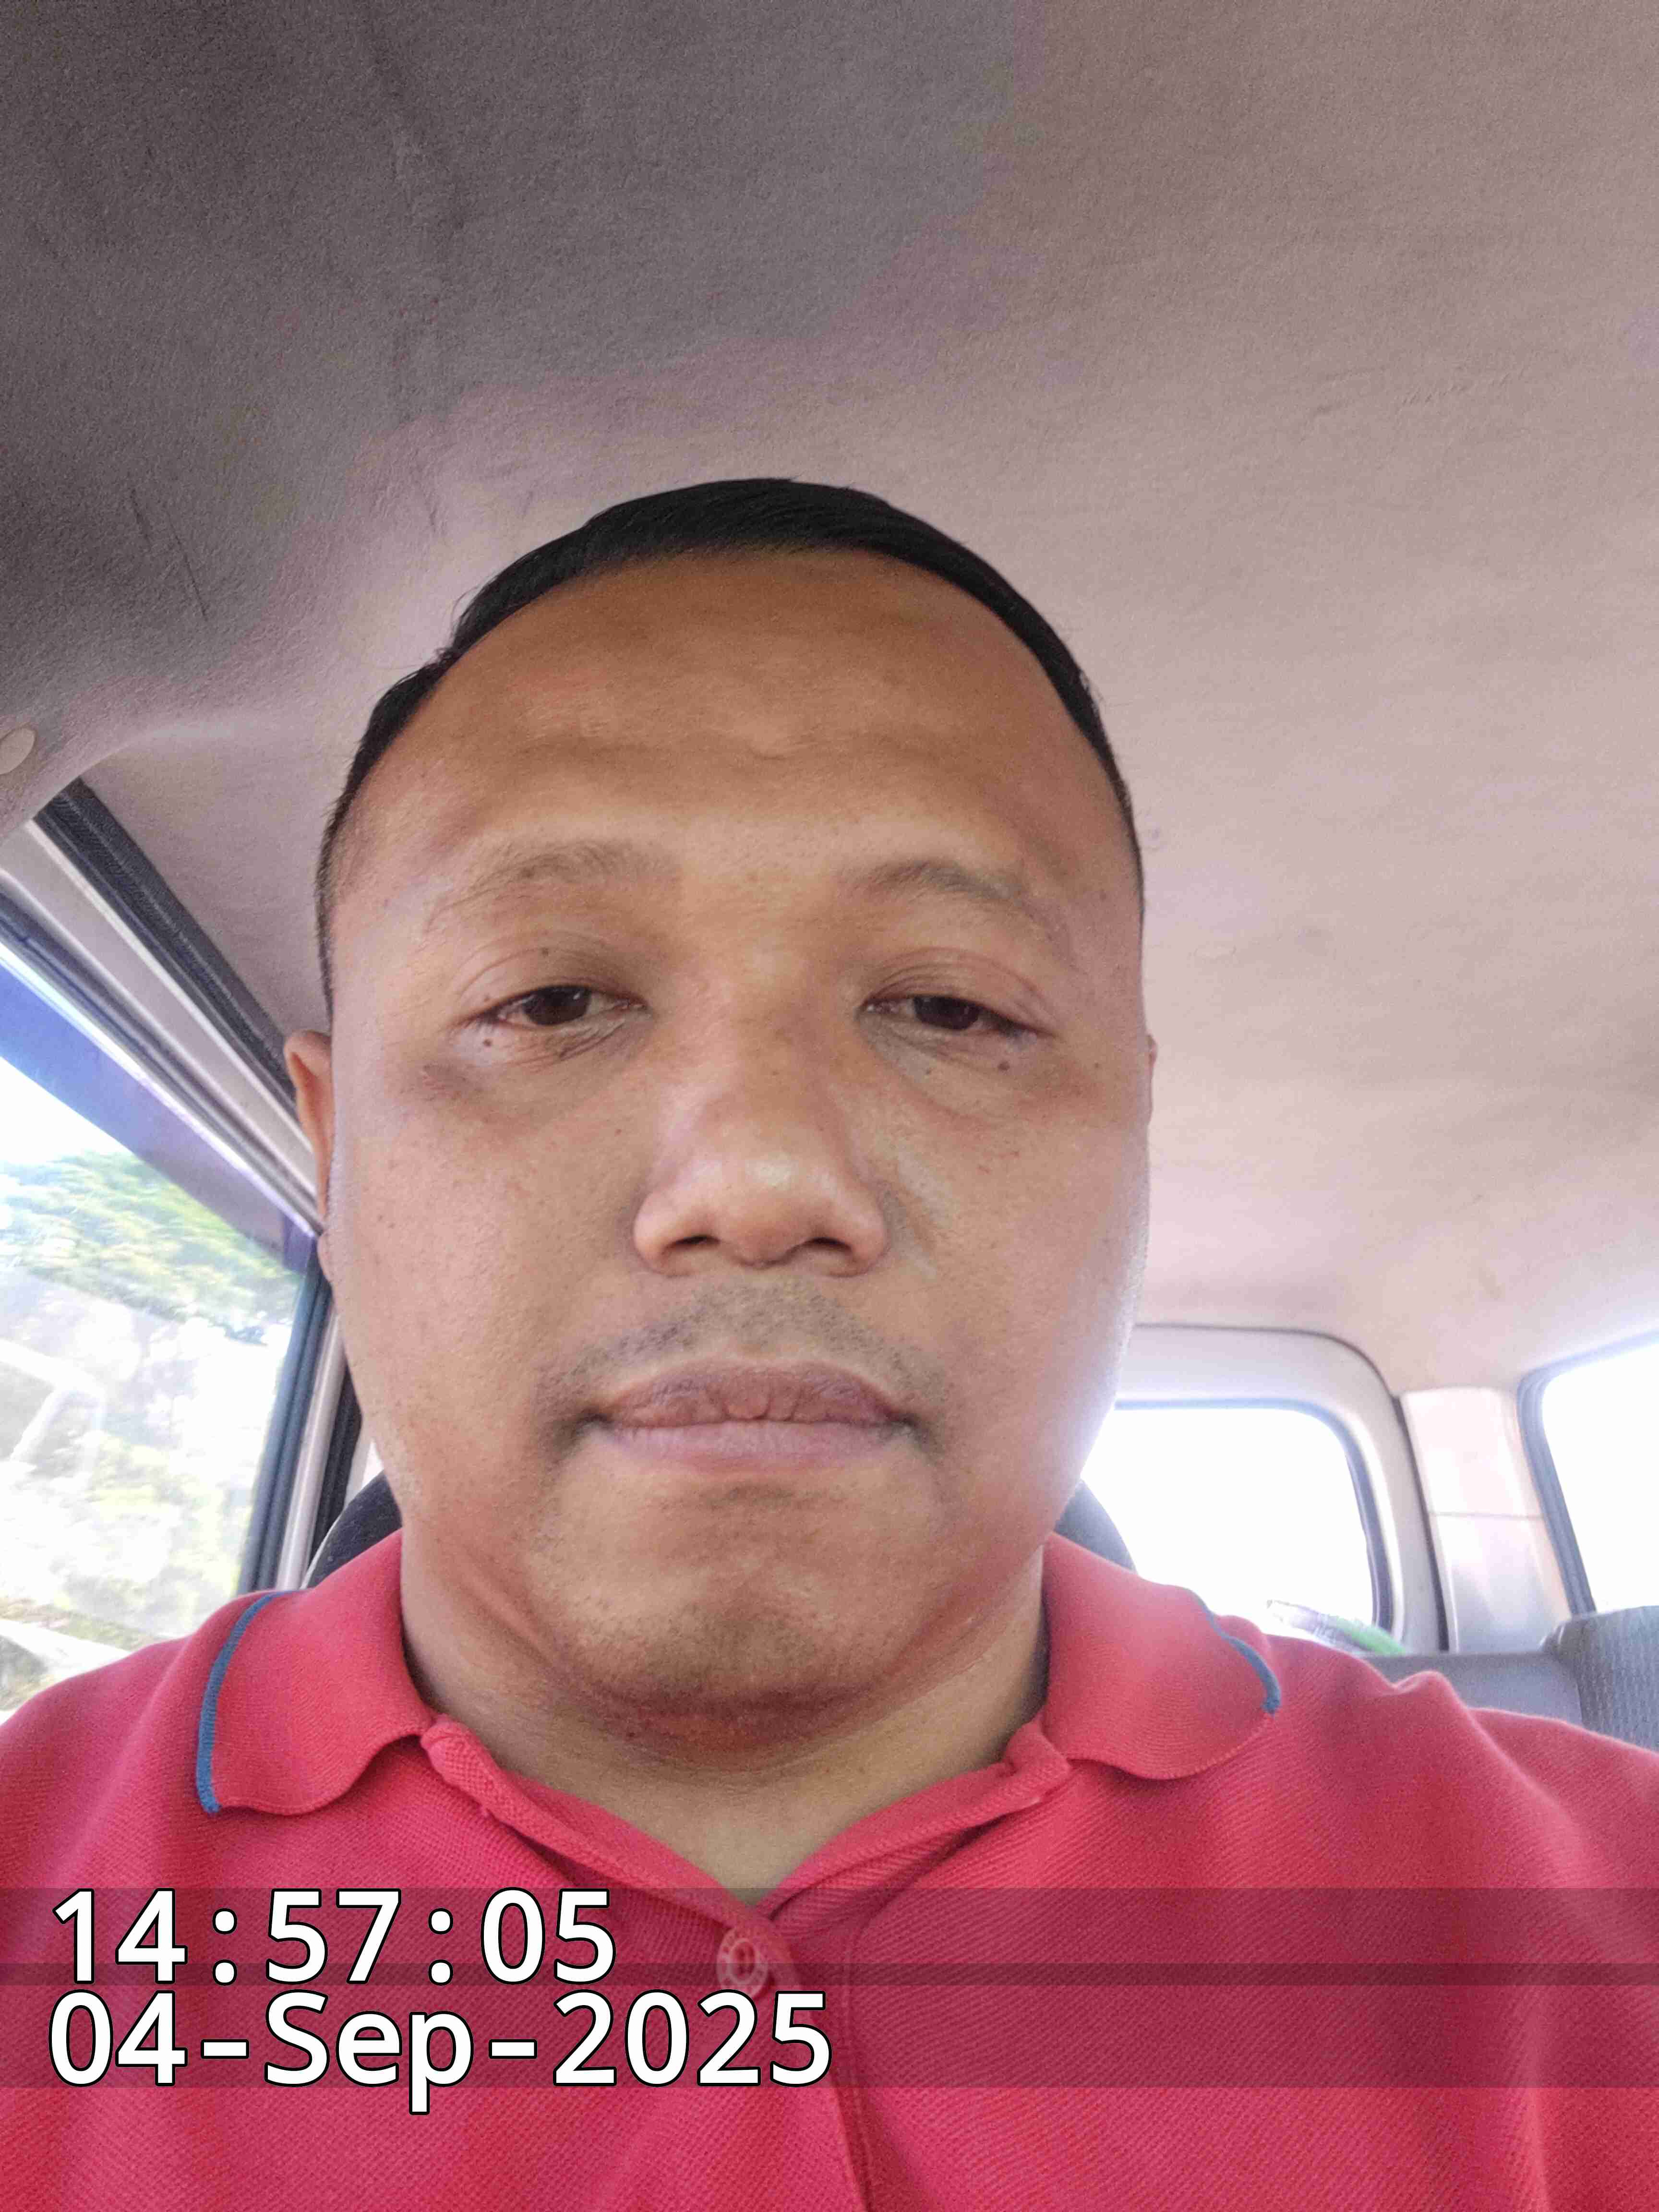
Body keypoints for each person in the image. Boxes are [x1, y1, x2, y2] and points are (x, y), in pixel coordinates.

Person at [1, 479, 1655, 2209]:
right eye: (550, 1001)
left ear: (1137, 1140)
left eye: (950, 1005)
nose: (759, 1182)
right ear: (334, 1155)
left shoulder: (1595, 1932)